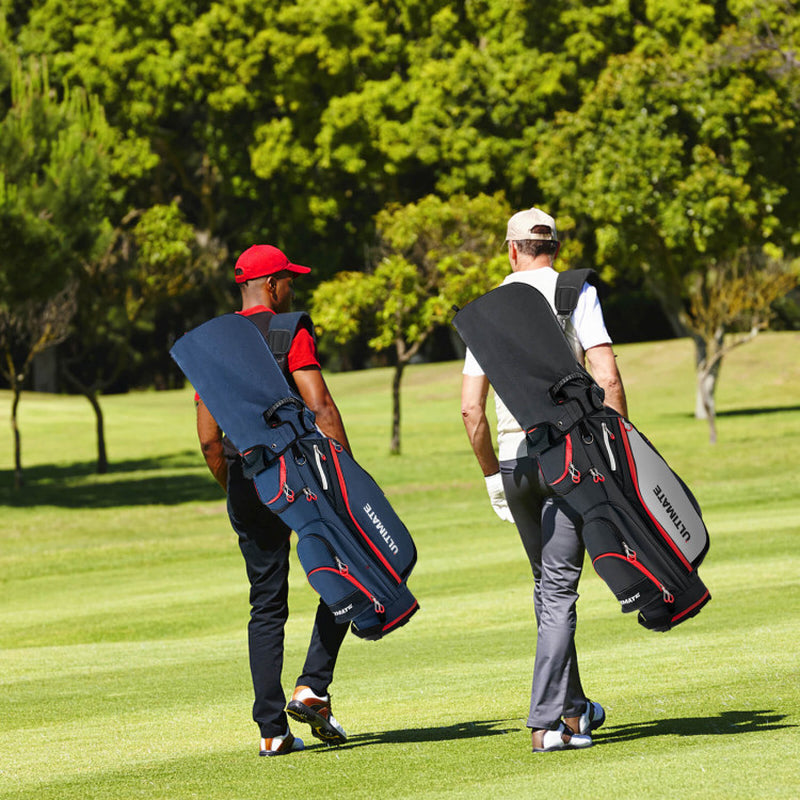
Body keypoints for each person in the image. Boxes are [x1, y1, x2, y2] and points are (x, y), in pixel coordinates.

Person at [460, 208, 628, 753]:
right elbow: (607, 377)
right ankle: (543, 723)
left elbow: (471, 410)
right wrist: (620, 457)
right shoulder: (576, 292)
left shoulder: (484, 311)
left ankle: (575, 712)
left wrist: (491, 477)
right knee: (558, 589)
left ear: (511, 251)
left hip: (513, 463)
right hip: (570, 458)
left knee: (546, 586)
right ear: (554, 246)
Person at [195, 244, 353, 756]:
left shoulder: (213, 344)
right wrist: (347, 475)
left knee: (266, 604)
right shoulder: (290, 331)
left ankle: (272, 733)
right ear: (270, 285)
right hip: (301, 476)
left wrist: (237, 488)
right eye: (288, 280)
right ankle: (312, 687)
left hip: (246, 479)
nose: (292, 289)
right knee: (348, 567)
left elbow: (208, 440)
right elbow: (321, 406)